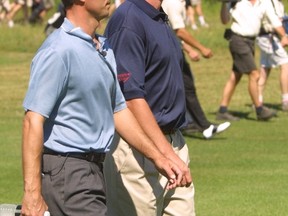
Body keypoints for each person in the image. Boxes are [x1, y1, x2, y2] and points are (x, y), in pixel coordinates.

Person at [20, 0, 188, 214]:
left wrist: (158, 157)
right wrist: (32, 192)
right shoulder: (58, 50)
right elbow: (32, 121)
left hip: (94, 169)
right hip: (68, 171)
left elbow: (119, 111)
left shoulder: (104, 48)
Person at [103, 0, 195, 215]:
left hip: (172, 143)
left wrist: (172, 153)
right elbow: (130, 98)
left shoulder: (157, 16)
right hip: (136, 150)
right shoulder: (128, 20)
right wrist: (165, 154)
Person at [162, 0, 231, 139]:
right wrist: (202, 48)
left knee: (183, 88)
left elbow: (170, 31)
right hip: (169, 52)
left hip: (173, 49)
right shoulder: (174, 3)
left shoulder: (179, 3)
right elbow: (179, 31)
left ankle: (192, 123)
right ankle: (203, 126)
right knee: (186, 88)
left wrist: (188, 49)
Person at [216, 0, 288, 121]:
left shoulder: (264, 2)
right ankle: (259, 110)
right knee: (255, 74)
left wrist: (284, 36)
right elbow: (224, 20)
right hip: (237, 40)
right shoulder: (236, 2)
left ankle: (222, 110)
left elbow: (274, 21)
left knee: (235, 77)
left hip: (251, 42)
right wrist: (224, 3)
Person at [256, 0, 288, 111]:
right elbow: (275, 23)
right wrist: (284, 36)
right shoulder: (267, 2)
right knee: (285, 65)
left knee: (265, 68)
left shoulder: (278, 3)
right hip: (269, 38)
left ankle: (258, 100)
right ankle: (286, 100)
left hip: (267, 38)